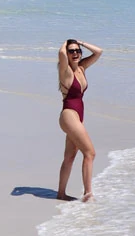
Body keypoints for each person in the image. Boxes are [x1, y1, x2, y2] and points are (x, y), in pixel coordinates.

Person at [56, 39, 103, 202]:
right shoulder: (65, 70)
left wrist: (80, 42)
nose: (75, 53)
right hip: (69, 115)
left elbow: (98, 52)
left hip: (77, 116)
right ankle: (88, 194)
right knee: (90, 153)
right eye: (71, 51)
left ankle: (61, 194)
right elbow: (61, 53)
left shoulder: (82, 68)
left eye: (77, 50)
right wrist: (66, 43)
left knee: (70, 156)